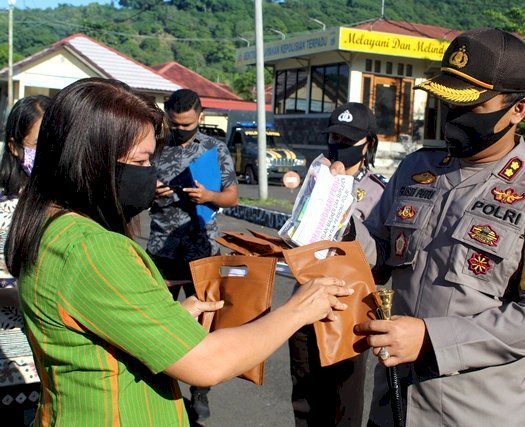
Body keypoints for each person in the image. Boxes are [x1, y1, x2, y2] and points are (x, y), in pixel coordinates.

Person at [4, 77, 353, 426]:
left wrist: (166, 319)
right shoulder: (92, 248)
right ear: (95, 160)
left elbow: (95, 327)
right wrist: (297, 309)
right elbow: (207, 363)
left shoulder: (49, 225)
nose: (149, 173)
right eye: (141, 161)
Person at [342, 28, 525, 426]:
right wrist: (342, 227)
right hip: (392, 407)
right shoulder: (416, 169)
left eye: (470, 105)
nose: (452, 116)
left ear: (518, 109)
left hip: (473, 414)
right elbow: (381, 255)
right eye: (446, 100)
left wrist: (432, 339)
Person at [288, 102, 386, 426]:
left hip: (346, 308)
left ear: (368, 144)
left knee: (343, 402)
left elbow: (379, 263)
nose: (339, 148)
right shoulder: (315, 180)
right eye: (335, 139)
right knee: (305, 396)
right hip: (305, 297)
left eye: (348, 141)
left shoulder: (379, 193)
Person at [146, 88, 239, 419]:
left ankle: (200, 390)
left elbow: (232, 198)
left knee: (204, 320)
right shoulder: (155, 148)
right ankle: (161, 383)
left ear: (200, 117)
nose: (181, 130)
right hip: (163, 249)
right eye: (176, 124)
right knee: (159, 320)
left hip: (202, 249)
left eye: (187, 124)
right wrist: (150, 191)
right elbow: (134, 192)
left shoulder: (215, 149)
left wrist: (209, 195)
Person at [0, 95, 50, 426]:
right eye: (39, 143)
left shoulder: (62, 206)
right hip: (10, 360)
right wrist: (37, 298)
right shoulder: (4, 208)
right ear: (16, 147)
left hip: (52, 356)